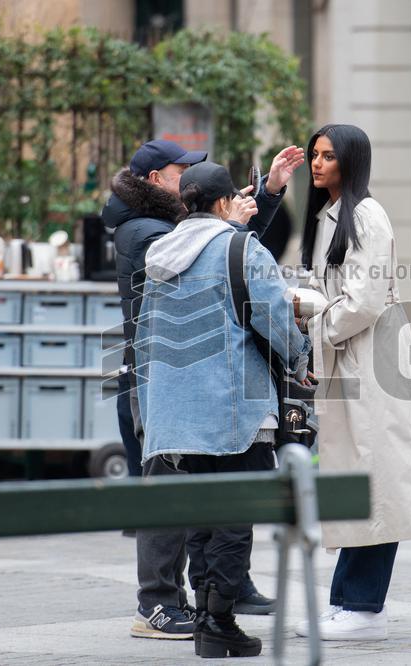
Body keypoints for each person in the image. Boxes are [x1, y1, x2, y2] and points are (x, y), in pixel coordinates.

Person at [100, 139, 304, 639]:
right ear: (156, 180)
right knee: (189, 504)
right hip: (202, 387)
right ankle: (167, 606)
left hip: (170, 386)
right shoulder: (145, 232)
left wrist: (267, 193)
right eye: (180, 168)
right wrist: (298, 357)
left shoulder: (164, 235)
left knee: (190, 499)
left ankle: (209, 604)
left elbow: (218, 247)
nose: (186, 174)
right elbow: (230, 264)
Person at [293, 124, 411, 641]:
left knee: (375, 478)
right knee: (354, 474)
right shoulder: (327, 216)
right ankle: (352, 600)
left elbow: (364, 301)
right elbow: (326, 291)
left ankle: (361, 604)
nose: (317, 163)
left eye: (328, 156)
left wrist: (314, 321)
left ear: (351, 162)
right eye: (314, 154)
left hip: (371, 359)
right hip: (346, 357)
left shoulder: (366, 216)